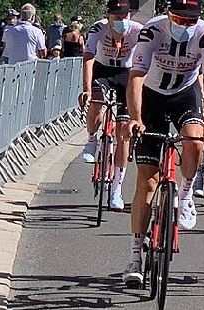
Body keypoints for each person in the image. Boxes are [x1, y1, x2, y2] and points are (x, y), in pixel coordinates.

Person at [120, 0, 204, 286]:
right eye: (179, 20)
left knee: (195, 141)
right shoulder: (152, 31)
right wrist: (135, 118)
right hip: (151, 97)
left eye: (191, 21)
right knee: (147, 183)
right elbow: (136, 76)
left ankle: (187, 194)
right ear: (168, 15)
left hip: (184, 95)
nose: (185, 26)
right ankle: (135, 255)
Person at [76, 0, 142, 209]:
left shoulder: (138, 31)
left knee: (124, 132)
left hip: (126, 73)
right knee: (96, 101)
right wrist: (86, 88)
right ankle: (91, 139)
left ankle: (117, 189)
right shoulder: (98, 27)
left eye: (124, 16)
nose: (121, 21)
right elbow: (88, 57)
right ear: (108, 16)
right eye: (117, 17)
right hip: (103, 70)